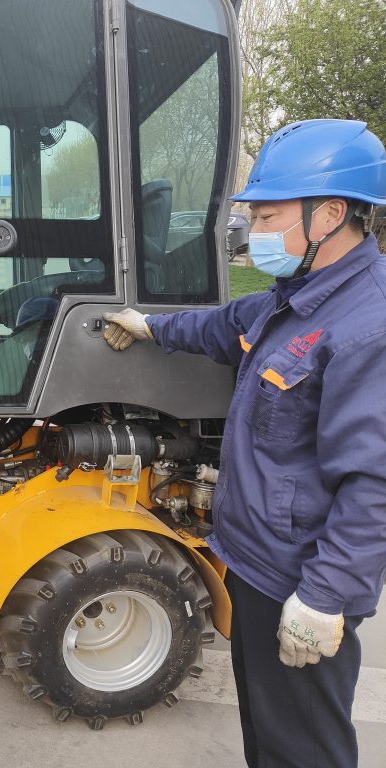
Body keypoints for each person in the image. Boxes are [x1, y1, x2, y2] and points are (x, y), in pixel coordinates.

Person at [103, 119, 386, 768]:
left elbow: (373, 485)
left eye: (268, 215)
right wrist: (149, 326)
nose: (255, 231)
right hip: (258, 566)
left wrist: (325, 598)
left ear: (330, 214)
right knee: (268, 734)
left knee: (303, 748)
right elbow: (222, 325)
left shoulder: (366, 326)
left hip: (302, 581)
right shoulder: (293, 300)